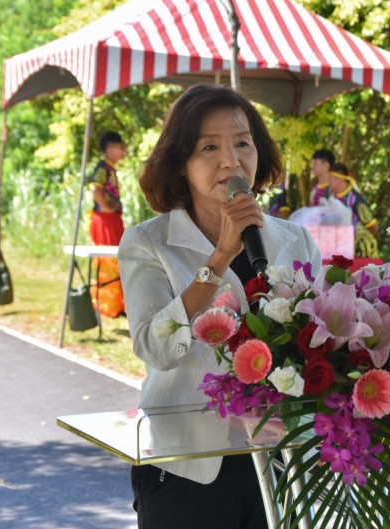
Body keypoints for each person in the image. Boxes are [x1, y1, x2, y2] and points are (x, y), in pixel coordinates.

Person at [118, 84, 322, 529]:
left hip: (279, 460)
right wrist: (220, 257)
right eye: (209, 146)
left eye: (243, 143)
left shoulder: (295, 239)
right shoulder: (147, 243)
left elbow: (319, 341)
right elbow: (153, 346)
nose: (231, 160)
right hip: (187, 465)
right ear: (180, 163)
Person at [89, 131, 127, 318]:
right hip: (104, 219)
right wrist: (105, 206)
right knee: (108, 259)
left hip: (112, 219)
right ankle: (106, 304)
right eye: (121, 147)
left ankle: (116, 303)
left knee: (117, 258)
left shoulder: (111, 167)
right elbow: (95, 187)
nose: (124, 151)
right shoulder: (102, 167)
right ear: (110, 148)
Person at [327, 163, 379, 258]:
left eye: (330, 178)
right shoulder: (331, 197)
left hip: (356, 252)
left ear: (339, 179)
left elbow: (372, 226)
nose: (328, 182)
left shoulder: (355, 199)